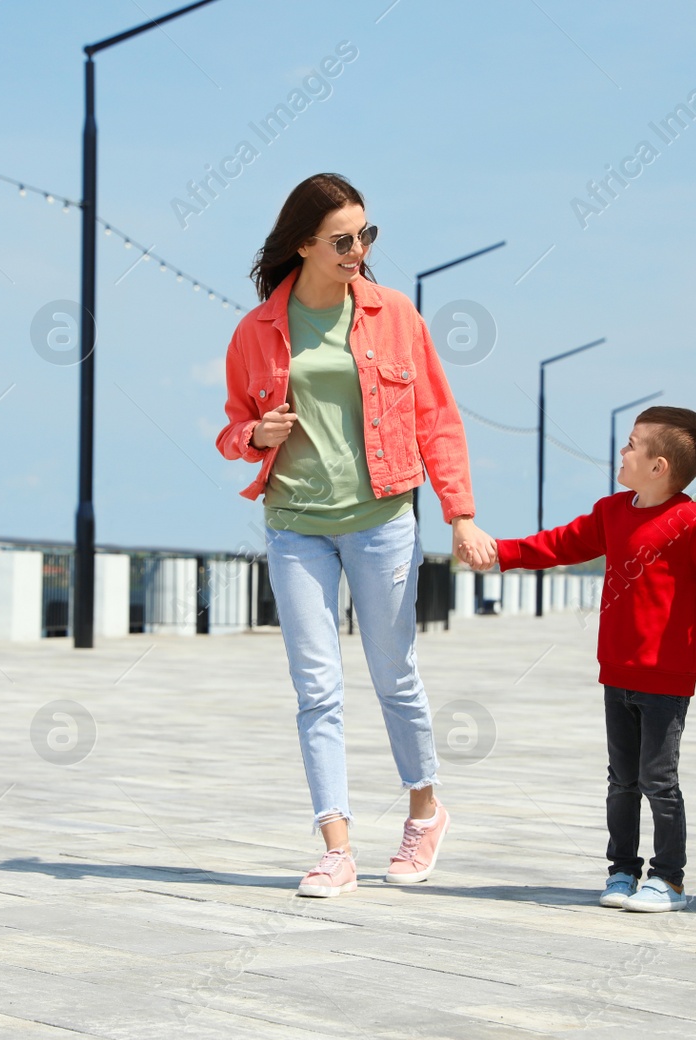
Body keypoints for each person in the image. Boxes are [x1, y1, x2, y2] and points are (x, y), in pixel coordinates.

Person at [216, 173, 495, 898]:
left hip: (381, 520)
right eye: (343, 240)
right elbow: (230, 428)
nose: (358, 250)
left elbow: (435, 415)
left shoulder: (395, 315)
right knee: (316, 687)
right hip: (295, 525)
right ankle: (336, 846)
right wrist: (256, 432)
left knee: (393, 675)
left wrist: (460, 511)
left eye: (366, 236)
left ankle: (425, 812)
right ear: (303, 244)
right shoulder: (256, 332)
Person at [471, 407, 696, 911]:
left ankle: (669, 879)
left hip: (668, 677)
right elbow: (561, 544)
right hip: (617, 671)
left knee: (659, 780)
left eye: (632, 444)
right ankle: (622, 872)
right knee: (622, 781)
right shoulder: (612, 512)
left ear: (658, 467)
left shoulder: (692, 520)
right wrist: (500, 553)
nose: (622, 451)